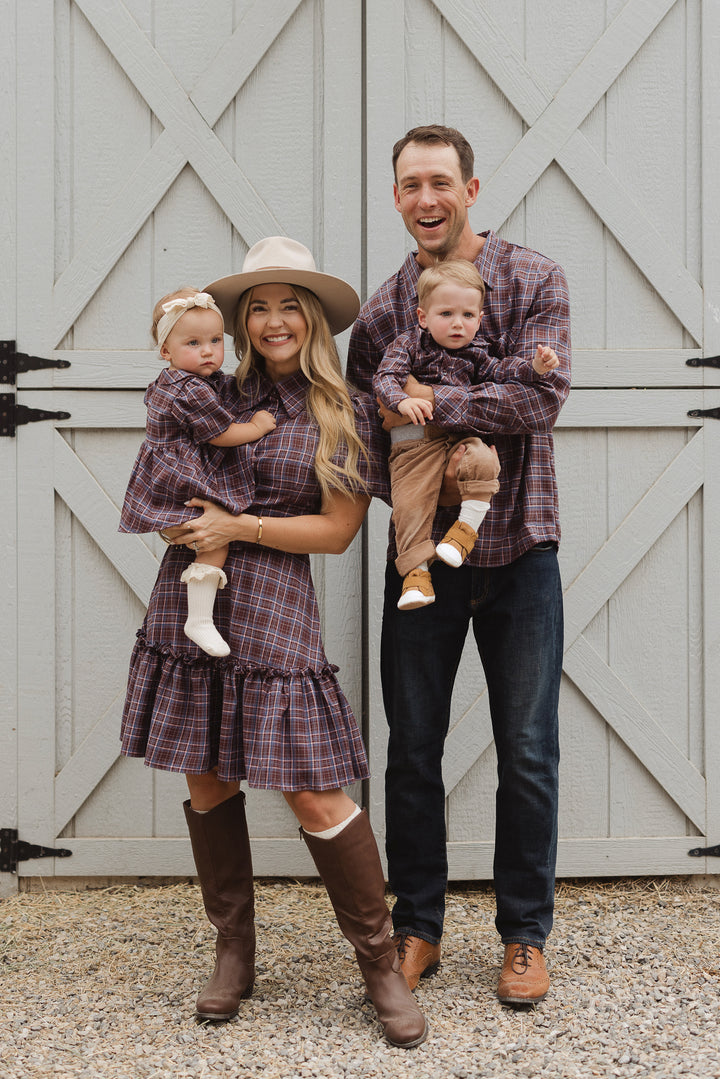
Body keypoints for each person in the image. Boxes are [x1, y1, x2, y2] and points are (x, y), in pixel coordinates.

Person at [120, 236, 427, 1049]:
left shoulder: (347, 408)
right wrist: (188, 523)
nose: (272, 318)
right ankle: (234, 950)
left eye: (290, 302)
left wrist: (240, 524)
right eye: (257, 306)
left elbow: (334, 532)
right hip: (193, 596)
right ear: (241, 321)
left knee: (317, 789)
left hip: (278, 602)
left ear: (316, 317)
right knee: (210, 778)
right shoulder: (207, 388)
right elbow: (164, 468)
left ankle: (379, 964)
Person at [347, 125, 571, 1005]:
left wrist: (430, 403)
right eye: (410, 184)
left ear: (472, 189)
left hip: (521, 547)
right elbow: (366, 416)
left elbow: (539, 398)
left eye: (441, 181)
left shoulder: (533, 277)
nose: (426, 198)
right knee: (412, 747)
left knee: (527, 749)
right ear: (396, 196)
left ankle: (523, 936)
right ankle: (418, 927)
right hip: (422, 564)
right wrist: (407, 482)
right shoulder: (382, 308)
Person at [372, 259, 559, 610]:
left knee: (486, 459)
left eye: (468, 316)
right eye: (446, 314)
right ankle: (416, 576)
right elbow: (384, 379)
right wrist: (401, 401)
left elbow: (504, 372)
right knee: (410, 504)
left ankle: (463, 534)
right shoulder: (409, 345)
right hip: (416, 443)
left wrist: (534, 367)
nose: (458, 324)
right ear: (423, 317)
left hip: (460, 439)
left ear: (479, 318)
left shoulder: (477, 353)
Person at [119, 288, 276, 657]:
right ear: (166, 351)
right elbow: (221, 434)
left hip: (165, 474)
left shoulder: (174, 379)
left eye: (215, 340)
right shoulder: (191, 390)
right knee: (214, 539)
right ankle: (200, 617)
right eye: (193, 342)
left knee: (199, 535)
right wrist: (256, 426)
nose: (208, 351)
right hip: (182, 478)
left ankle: (200, 616)